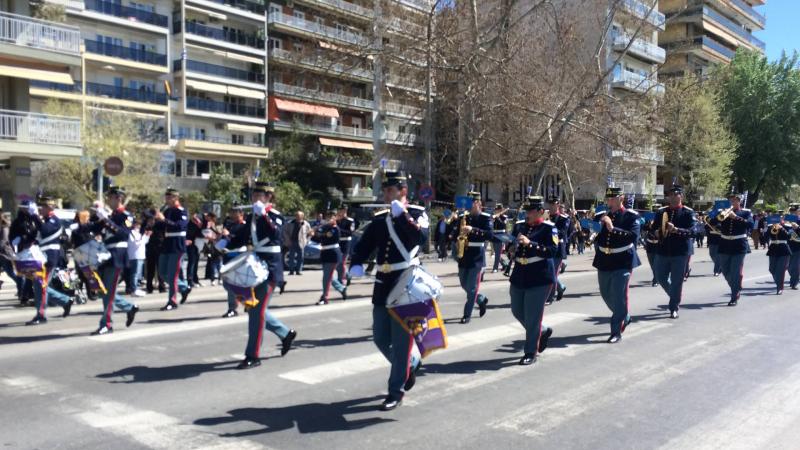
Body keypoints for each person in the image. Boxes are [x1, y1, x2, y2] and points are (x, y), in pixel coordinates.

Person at [349, 170, 427, 411]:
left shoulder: (417, 213)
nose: (386, 194)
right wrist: (356, 262)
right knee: (380, 336)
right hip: (384, 282)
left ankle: (396, 391)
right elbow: (365, 244)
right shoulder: (380, 218)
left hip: (406, 282)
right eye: (384, 190)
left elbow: (420, 239)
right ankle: (410, 363)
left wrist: (402, 216)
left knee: (402, 343)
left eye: (390, 190)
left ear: (403, 191)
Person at [238, 181, 297, 369]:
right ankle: (285, 333)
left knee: (256, 313)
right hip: (253, 267)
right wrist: (225, 242)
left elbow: (276, 234)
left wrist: (263, 215)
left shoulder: (275, 216)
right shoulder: (252, 216)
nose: (255, 199)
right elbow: (242, 236)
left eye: (259, 196)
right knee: (252, 308)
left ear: (268, 197)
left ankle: (253, 356)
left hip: (270, 269)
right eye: (254, 195)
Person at [508, 195, 556, 366]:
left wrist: (530, 244)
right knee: (517, 310)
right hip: (519, 274)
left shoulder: (549, 228)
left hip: (539, 276)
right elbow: (510, 245)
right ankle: (542, 331)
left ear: (541, 211)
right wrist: (510, 248)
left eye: (531, 211)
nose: (527, 214)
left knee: (533, 317)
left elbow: (552, 251)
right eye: (526, 210)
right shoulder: (519, 226)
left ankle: (530, 352)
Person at [592, 187, 640, 344]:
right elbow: (597, 235)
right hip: (604, 259)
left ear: (621, 198)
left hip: (622, 260)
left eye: (613, 199)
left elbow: (633, 237)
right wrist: (593, 229)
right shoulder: (602, 215)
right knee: (605, 293)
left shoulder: (631, 216)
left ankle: (616, 331)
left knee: (619, 296)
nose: (610, 202)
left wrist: (612, 228)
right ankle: (624, 315)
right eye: (608, 199)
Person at [91, 187, 139, 335]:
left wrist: (106, 220)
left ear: (118, 198)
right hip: (105, 255)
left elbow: (123, 234)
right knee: (103, 290)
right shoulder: (110, 215)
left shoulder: (127, 216)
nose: (108, 200)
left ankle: (107, 323)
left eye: (110, 198)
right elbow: (96, 228)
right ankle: (129, 307)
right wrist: (81, 226)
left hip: (117, 255)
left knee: (109, 291)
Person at [23, 197, 74, 325]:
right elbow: (36, 236)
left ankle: (41, 315)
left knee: (41, 286)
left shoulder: (54, 220)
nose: (40, 209)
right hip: (40, 258)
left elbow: (45, 231)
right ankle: (65, 301)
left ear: (50, 208)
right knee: (39, 285)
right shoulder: (44, 220)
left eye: (43, 207)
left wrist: (35, 216)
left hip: (49, 259)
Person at [652, 185, 696, 319]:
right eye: (670, 194)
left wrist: (676, 230)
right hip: (663, 250)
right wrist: (656, 232)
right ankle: (675, 296)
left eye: (675, 194)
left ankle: (673, 307)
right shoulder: (661, 211)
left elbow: (693, 231)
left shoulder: (688, 212)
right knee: (660, 277)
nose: (671, 197)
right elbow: (652, 228)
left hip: (680, 252)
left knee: (677, 281)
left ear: (681, 196)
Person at [450, 191, 492, 324]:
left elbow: (489, 235)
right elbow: (454, 234)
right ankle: (480, 299)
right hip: (464, 255)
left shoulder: (485, 218)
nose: (468, 205)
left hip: (477, 256)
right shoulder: (463, 216)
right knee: (464, 284)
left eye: (471, 202)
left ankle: (466, 314)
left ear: (478, 203)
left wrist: (472, 229)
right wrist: (454, 225)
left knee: (472, 287)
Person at [156, 188, 191, 311]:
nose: (166, 199)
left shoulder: (182, 211)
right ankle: (183, 288)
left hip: (177, 245)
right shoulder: (167, 211)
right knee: (162, 272)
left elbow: (179, 226)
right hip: (167, 244)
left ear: (176, 198)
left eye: (169, 197)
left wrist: (164, 220)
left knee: (172, 275)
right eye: (166, 197)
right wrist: (154, 220)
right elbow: (161, 226)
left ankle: (172, 301)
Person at [717, 192, 754, 306]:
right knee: (724, 270)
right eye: (731, 200)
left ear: (739, 201)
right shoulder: (723, 212)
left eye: (734, 200)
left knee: (735, 271)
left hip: (739, 245)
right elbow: (713, 223)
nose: (732, 202)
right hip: (724, 244)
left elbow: (750, 225)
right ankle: (736, 285)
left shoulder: (746, 212)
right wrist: (717, 215)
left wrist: (736, 217)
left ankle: (734, 296)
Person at [218, 205, 249, 318]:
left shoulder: (244, 226)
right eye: (231, 212)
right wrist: (221, 238)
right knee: (227, 283)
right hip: (228, 256)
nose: (232, 214)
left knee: (234, 283)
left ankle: (233, 308)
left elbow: (241, 240)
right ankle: (245, 301)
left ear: (241, 214)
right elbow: (226, 240)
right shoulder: (229, 225)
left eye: (235, 212)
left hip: (238, 256)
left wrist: (228, 235)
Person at [312, 210, 347, 305]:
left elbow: (326, 237)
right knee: (328, 276)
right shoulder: (325, 228)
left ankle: (325, 297)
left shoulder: (334, 228)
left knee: (326, 278)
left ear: (335, 218)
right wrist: (313, 234)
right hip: (325, 253)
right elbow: (317, 239)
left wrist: (318, 232)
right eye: (328, 217)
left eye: (331, 217)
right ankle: (341, 288)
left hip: (332, 254)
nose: (329, 219)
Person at [546, 196, 569, 304]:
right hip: (547, 248)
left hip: (558, 249)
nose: (551, 206)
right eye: (550, 204)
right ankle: (560, 287)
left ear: (558, 205)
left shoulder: (563, 219)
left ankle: (550, 297)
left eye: (553, 204)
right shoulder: (545, 217)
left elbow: (562, 233)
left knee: (552, 274)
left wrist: (548, 225)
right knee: (548, 273)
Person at [766, 210, 792, 295]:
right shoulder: (770, 227)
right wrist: (767, 228)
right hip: (773, 249)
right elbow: (765, 237)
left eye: (781, 218)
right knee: (772, 269)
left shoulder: (787, 226)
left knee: (780, 270)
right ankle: (778, 283)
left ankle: (779, 287)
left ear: (783, 219)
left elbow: (789, 236)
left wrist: (782, 228)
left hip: (784, 249)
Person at [0, 211, 22, 300]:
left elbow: (4, 240)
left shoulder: (4, 227)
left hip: (5, 254)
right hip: (2, 253)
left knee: (10, 272)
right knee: (9, 272)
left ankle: (22, 287)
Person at [144, 209, 166, 294]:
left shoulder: (160, 223)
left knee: (160, 268)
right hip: (151, 247)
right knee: (150, 268)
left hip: (159, 246)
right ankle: (149, 287)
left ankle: (161, 286)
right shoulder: (147, 223)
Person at [284, 211, 311, 276]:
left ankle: (298, 270)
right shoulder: (290, 223)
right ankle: (291, 271)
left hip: (301, 242)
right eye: (296, 215)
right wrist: (288, 240)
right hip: (292, 242)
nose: (298, 217)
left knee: (300, 257)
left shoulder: (306, 224)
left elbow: (310, 233)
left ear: (302, 216)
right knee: (291, 257)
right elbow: (285, 232)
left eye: (299, 216)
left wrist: (307, 241)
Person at [126, 219, 148, 297]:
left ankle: (136, 288)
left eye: (139, 224)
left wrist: (147, 236)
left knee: (138, 274)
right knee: (134, 273)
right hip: (134, 255)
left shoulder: (139, 233)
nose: (138, 226)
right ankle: (133, 289)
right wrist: (142, 236)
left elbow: (144, 242)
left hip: (141, 255)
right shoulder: (131, 232)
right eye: (137, 224)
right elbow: (135, 243)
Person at [336, 203, 355, 286]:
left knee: (342, 262)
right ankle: (347, 275)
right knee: (337, 263)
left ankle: (340, 280)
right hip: (337, 243)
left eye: (342, 210)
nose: (340, 212)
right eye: (339, 210)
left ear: (345, 211)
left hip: (346, 242)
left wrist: (339, 230)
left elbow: (350, 232)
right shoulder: (336, 220)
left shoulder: (350, 221)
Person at [643, 207, 659, 287]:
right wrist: (649, 224)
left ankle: (655, 279)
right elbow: (643, 228)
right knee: (652, 264)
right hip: (649, 244)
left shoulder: (661, 221)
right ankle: (657, 277)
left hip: (658, 244)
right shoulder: (648, 220)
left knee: (656, 264)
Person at [490, 203, 509, 273]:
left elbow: (502, 224)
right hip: (494, 235)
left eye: (498, 209)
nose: (496, 211)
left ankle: (495, 268)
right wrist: (494, 217)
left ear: (501, 210)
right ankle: (505, 264)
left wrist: (498, 217)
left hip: (501, 235)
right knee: (496, 253)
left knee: (498, 253)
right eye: (496, 209)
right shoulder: (494, 216)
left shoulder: (504, 217)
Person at [186, 214, 203, 288]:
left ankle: (195, 279)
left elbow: (199, 233)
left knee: (195, 263)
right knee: (192, 262)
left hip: (197, 245)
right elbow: (189, 234)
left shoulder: (198, 225)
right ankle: (190, 281)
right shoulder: (189, 225)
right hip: (191, 244)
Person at [705, 211, 722, 277]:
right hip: (711, 240)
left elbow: (723, 228)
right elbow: (706, 227)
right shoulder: (711, 220)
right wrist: (711, 225)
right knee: (712, 254)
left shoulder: (722, 221)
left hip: (720, 240)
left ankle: (716, 271)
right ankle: (720, 266)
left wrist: (716, 227)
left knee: (718, 256)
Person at [787, 204, 800, 290]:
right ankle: (794, 279)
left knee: (794, 266)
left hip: (797, 246)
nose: (793, 213)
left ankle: (794, 282)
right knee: (789, 267)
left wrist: (798, 227)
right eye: (791, 211)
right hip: (787, 246)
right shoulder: (787, 221)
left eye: (795, 211)